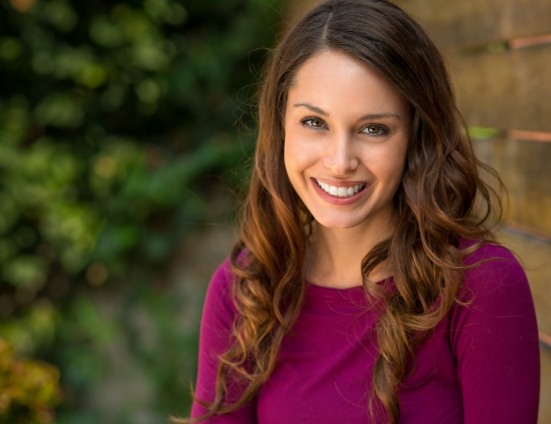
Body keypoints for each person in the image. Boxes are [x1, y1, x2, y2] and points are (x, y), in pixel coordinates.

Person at [184, 0, 541, 422]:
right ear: (281, 125)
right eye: (314, 123)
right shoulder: (247, 289)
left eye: (374, 129)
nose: (339, 161)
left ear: (416, 137)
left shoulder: (481, 287)